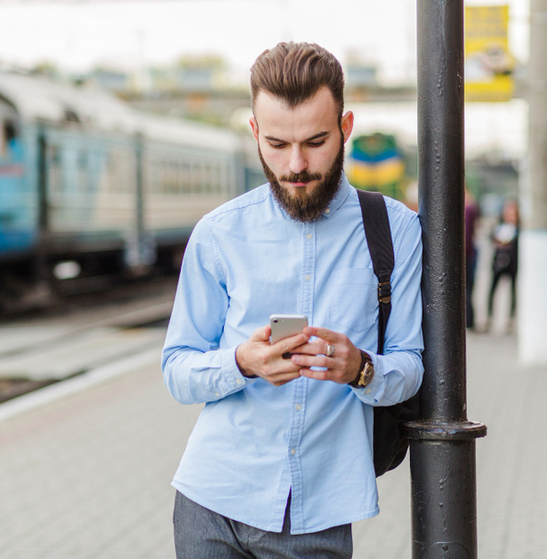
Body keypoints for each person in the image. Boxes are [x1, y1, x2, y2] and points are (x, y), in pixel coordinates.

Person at [161, 42, 424, 558]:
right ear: (256, 133)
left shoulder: (395, 230)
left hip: (317, 514)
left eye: (316, 141)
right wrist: (242, 362)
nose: (296, 165)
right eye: (277, 144)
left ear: (345, 128)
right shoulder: (218, 234)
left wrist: (361, 369)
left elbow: (412, 365)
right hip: (209, 501)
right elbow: (176, 369)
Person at [486, 198, 519, 333]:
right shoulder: (499, 225)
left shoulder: (518, 228)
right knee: (493, 288)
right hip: (499, 261)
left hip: (512, 261)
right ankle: (490, 317)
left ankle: (510, 319)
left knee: (512, 290)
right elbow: (490, 237)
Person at [464, 188, 481, 330]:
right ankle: (469, 320)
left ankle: (469, 320)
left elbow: (467, 236)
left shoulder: (468, 209)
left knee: (467, 289)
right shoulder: (471, 209)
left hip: (467, 256)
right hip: (470, 254)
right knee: (469, 289)